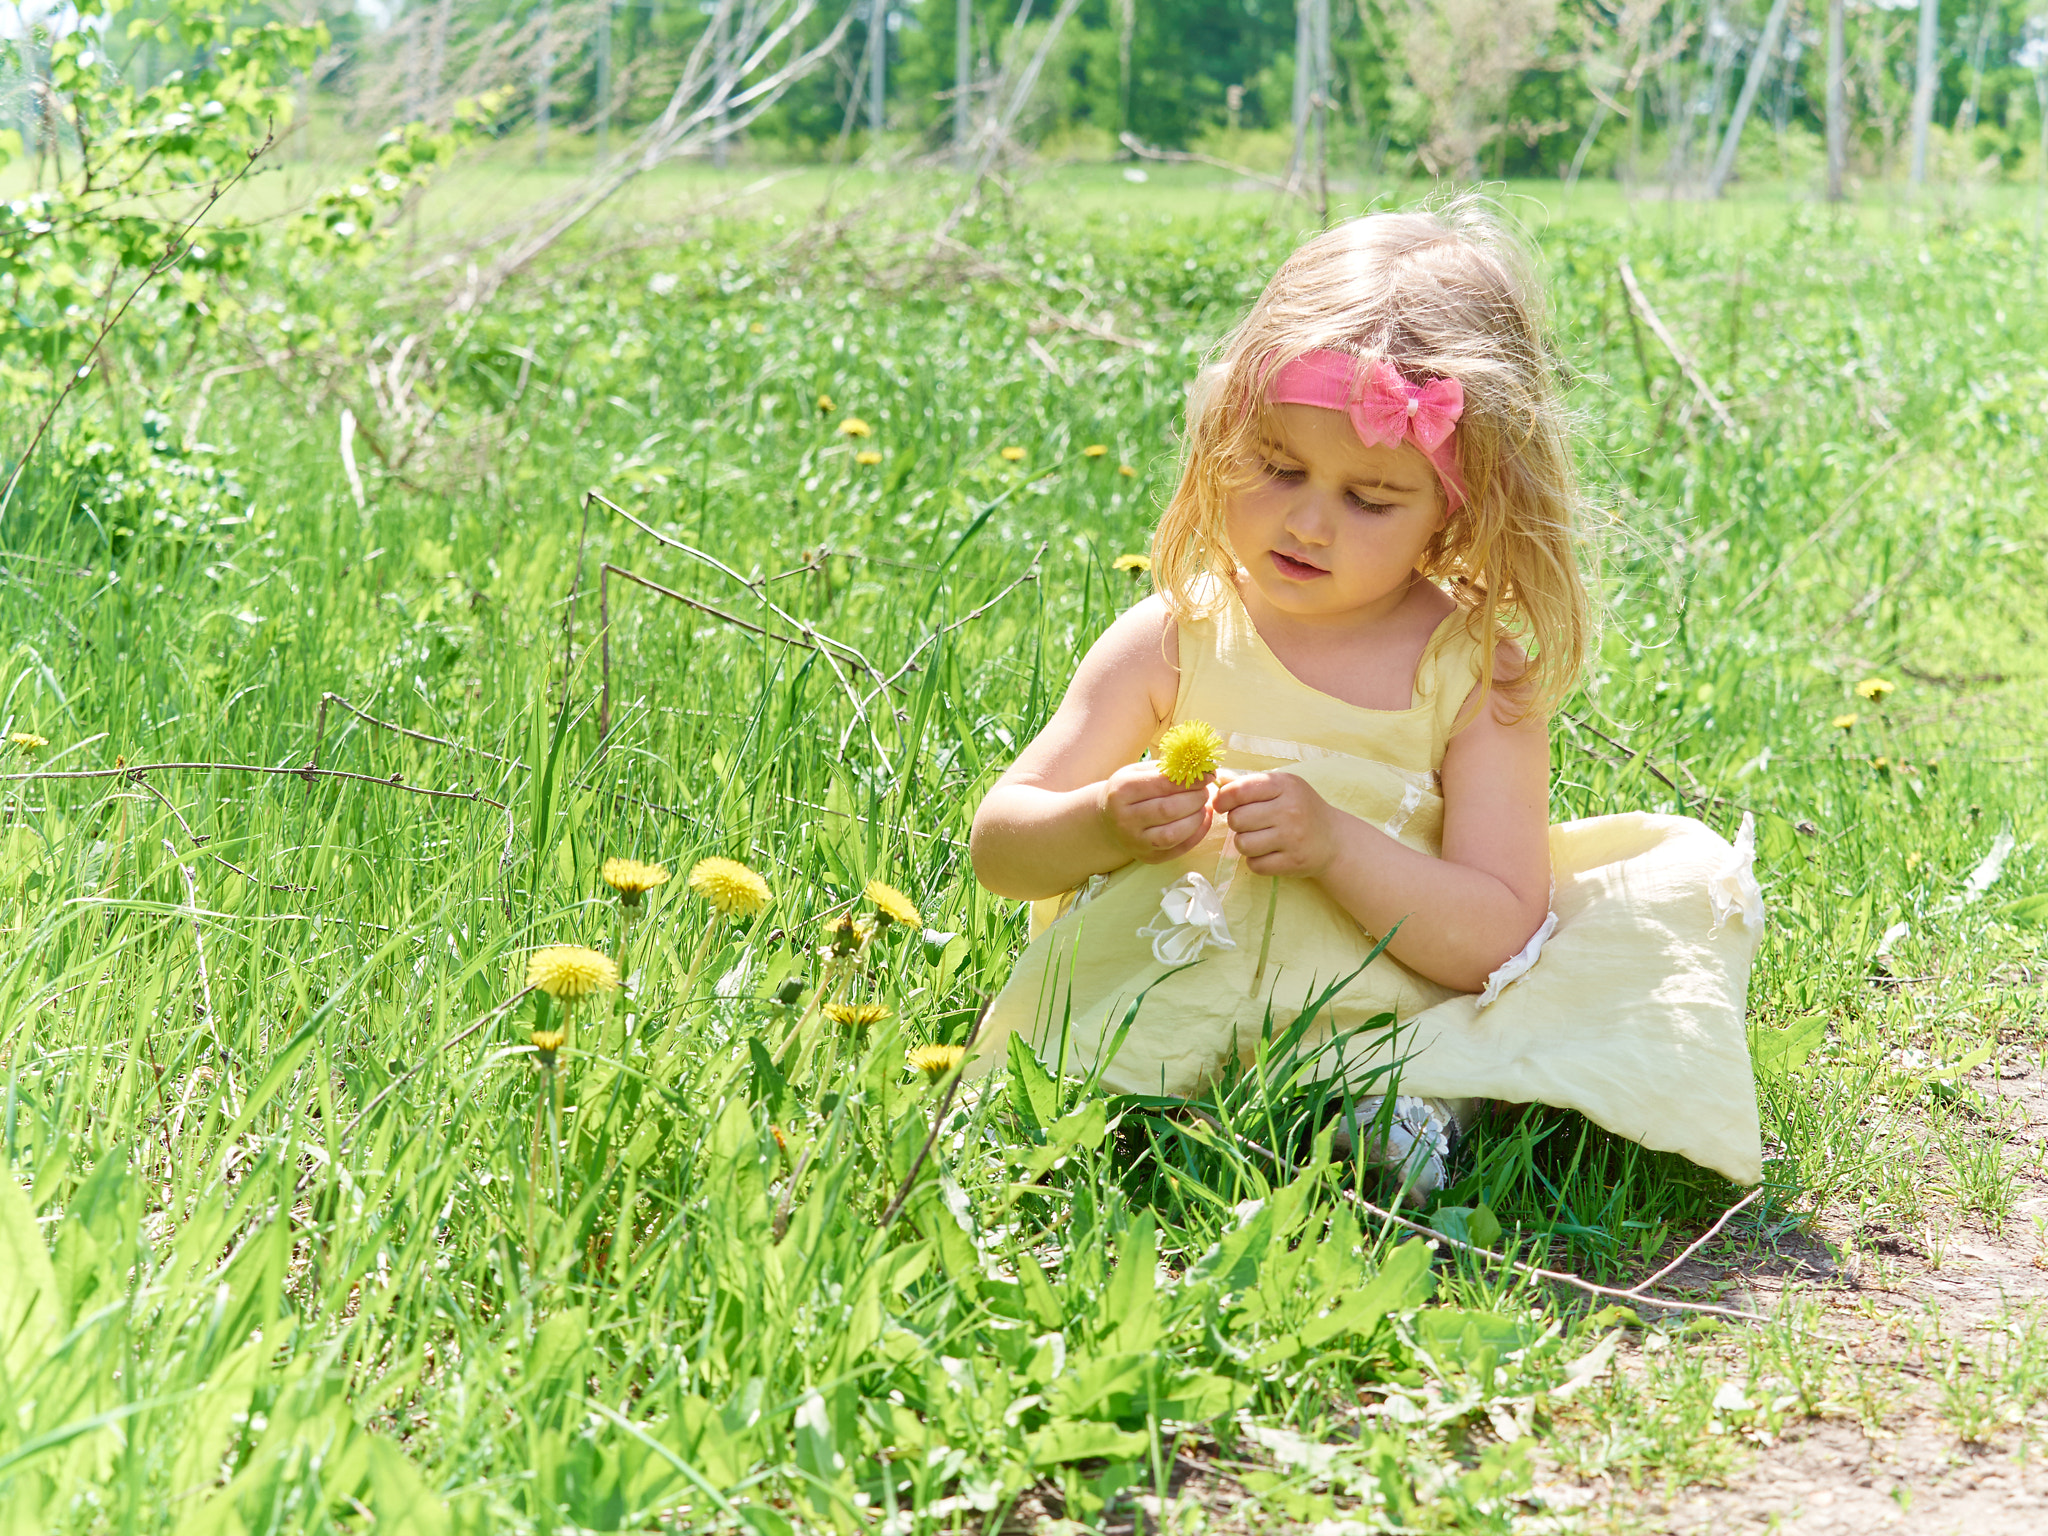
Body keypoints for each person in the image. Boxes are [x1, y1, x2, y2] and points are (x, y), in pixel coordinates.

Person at [966, 201, 1764, 1199]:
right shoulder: (1173, 636)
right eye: (1276, 469)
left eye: (1369, 498)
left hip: (1368, 1012)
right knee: (1104, 1060)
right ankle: (1147, 1096)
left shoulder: (1472, 675)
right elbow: (1000, 846)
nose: (1307, 520)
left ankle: (1374, 1117)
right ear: (1223, 437)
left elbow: (1494, 936)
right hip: (1157, 981)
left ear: (1455, 504)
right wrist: (1102, 821)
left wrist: (1340, 849)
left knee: (1575, 968)